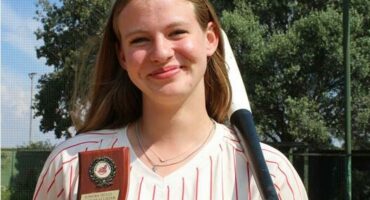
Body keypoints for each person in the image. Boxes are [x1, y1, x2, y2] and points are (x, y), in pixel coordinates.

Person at [33, 0, 308, 199]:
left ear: (210, 38)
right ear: (122, 56)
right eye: (140, 39)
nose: (160, 52)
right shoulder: (71, 164)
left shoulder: (271, 172)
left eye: (176, 32)